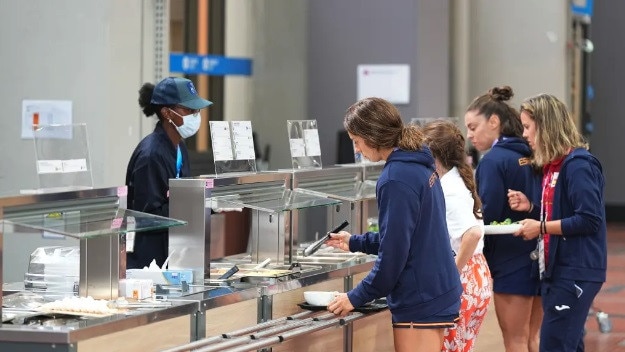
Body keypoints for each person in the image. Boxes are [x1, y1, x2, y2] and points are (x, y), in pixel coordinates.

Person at [325, 97, 462, 352]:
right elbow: (409, 236)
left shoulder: (395, 178)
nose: (356, 150)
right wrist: (354, 241)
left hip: (421, 297)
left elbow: (392, 258)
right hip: (437, 290)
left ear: (372, 135)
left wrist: (353, 297)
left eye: (356, 142)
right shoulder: (418, 165)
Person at [508, 93, 607, 351]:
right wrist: (532, 207)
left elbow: (588, 219)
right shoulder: (554, 166)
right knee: (568, 345)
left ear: (546, 126)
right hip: (558, 270)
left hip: (576, 270)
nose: (525, 134)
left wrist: (539, 227)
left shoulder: (578, 165)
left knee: (554, 345)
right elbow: (563, 211)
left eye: (528, 127)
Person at [464, 85, 543, 352]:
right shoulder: (534, 155)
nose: (469, 135)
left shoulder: (493, 161)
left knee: (516, 341)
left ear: (494, 122)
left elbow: (488, 213)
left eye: (473, 127)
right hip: (541, 257)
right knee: (533, 339)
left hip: (510, 261)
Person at [125, 77, 212, 269]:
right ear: (167, 113)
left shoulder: (178, 146)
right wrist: (201, 203)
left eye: (196, 110)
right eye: (189, 110)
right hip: (149, 263)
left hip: (172, 254)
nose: (195, 116)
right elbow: (150, 215)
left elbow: (182, 196)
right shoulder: (151, 155)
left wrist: (208, 203)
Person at [422, 120, 492, 352]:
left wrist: (451, 274)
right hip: (476, 273)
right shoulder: (455, 181)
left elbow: (471, 233)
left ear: (433, 154)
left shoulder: (450, 190)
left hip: (464, 276)